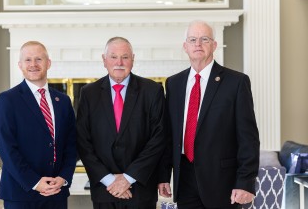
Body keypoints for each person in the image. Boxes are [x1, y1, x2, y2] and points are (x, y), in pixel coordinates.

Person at [158, 21, 260, 209]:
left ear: (214, 45)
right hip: (185, 179)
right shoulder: (173, 84)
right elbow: (168, 135)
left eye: (204, 39)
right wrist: (164, 176)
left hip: (223, 183)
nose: (198, 44)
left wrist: (245, 182)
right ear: (185, 46)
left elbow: (248, 138)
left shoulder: (236, 82)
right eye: (193, 40)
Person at [76, 36, 166, 209]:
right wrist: (110, 180)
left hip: (140, 188)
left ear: (133, 59)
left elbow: (159, 138)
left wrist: (128, 178)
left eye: (125, 57)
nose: (119, 62)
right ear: (104, 60)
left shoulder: (152, 91)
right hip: (104, 190)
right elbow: (82, 141)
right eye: (113, 56)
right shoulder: (89, 93)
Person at [0, 41, 77, 209]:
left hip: (56, 191)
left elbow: (71, 144)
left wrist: (63, 177)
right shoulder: (7, 100)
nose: (33, 64)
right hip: (21, 192)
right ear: (20, 65)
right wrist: (34, 182)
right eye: (28, 60)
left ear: (48, 63)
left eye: (39, 59)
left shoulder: (63, 101)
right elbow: (7, 149)